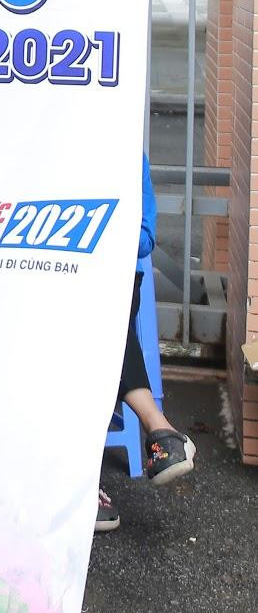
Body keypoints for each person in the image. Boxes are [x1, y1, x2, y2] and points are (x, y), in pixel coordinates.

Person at [96, 155, 196, 532]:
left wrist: (98, 229)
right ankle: (160, 430)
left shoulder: (125, 154)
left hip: (108, 281)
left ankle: (78, 482)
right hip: (49, 279)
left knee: (95, 316)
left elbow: (144, 238)